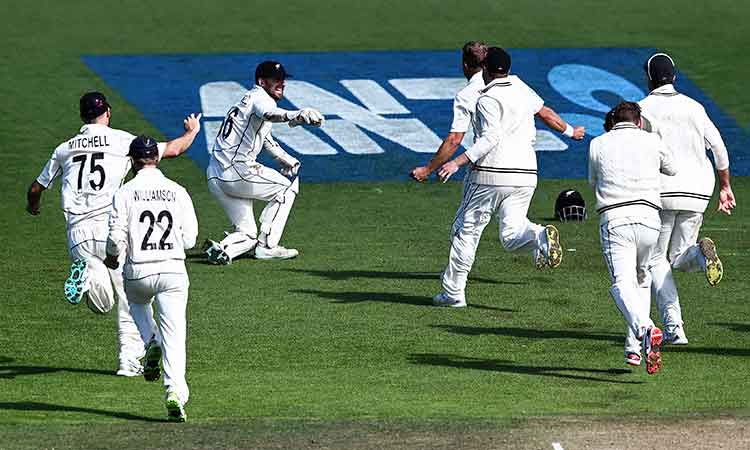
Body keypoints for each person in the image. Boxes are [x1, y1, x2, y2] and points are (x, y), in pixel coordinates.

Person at [26, 91, 201, 377]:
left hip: (78, 234)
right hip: (111, 230)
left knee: (100, 302)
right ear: (107, 112)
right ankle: (128, 360)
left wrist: (33, 207)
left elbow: (36, 188)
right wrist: (192, 131)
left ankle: (88, 274)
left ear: (82, 116)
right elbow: (173, 149)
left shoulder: (65, 148)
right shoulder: (123, 141)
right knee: (126, 300)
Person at [432, 47, 585, 308]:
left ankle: (453, 293)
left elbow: (490, 139)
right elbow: (545, 112)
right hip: (526, 173)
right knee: (512, 235)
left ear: (485, 70)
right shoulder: (522, 88)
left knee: (465, 231)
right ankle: (539, 236)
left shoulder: (486, 99)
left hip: (491, 173)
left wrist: (456, 162)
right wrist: (571, 132)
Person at [621, 53, 736, 354]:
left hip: (660, 192)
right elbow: (720, 149)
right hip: (698, 190)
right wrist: (725, 186)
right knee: (680, 256)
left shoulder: (642, 110)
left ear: (648, 78)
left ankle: (675, 328)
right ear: (674, 77)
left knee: (656, 260)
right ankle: (700, 254)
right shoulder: (694, 107)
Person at [105, 135, 198, 422]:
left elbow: (115, 238)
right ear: (156, 158)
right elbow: (191, 239)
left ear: (133, 160)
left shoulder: (124, 192)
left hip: (138, 270)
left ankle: (150, 340)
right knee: (176, 335)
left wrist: (112, 257)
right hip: (172, 270)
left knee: (136, 304)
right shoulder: (178, 190)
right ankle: (174, 391)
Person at [203, 60, 324, 264]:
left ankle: (222, 248)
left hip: (215, 174)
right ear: (261, 81)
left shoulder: (245, 101)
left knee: (249, 234)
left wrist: (285, 159)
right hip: (236, 171)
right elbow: (269, 113)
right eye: (276, 80)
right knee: (286, 188)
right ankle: (268, 247)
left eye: (283, 80)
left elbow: (265, 137)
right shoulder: (260, 98)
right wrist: (295, 114)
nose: (281, 83)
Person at [588, 101, 677, 374]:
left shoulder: (598, 143)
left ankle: (644, 329)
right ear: (639, 121)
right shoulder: (652, 140)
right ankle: (633, 349)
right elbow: (672, 168)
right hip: (650, 221)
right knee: (641, 280)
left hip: (616, 220)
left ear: (614, 121)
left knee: (621, 284)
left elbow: (593, 182)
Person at [410, 41, 488, 182]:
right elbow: (542, 112)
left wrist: (427, 170)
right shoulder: (515, 84)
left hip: (491, 168)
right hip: (524, 167)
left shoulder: (466, 95)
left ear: (465, 65)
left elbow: (454, 140)